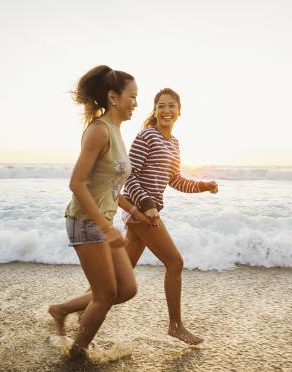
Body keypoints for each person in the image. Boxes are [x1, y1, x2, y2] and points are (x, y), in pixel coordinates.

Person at [47, 65, 149, 358]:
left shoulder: (116, 131)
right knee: (105, 295)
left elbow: (111, 187)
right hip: (85, 221)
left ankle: (62, 309)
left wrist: (133, 213)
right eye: (132, 96)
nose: (136, 102)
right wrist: (106, 228)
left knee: (126, 289)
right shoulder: (98, 131)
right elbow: (76, 184)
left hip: (104, 222)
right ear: (113, 98)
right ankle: (77, 354)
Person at [123, 88, 218, 345]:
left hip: (147, 212)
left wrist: (202, 186)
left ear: (179, 111)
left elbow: (175, 179)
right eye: (161, 106)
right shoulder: (146, 136)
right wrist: (146, 203)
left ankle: (71, 309)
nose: (166, 111)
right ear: (154, 111)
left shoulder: (173, 142)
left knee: (119, 277)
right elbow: (128, 176)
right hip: (140, 211)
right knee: (175, 263)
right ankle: (175, 326)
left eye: (171, 106)